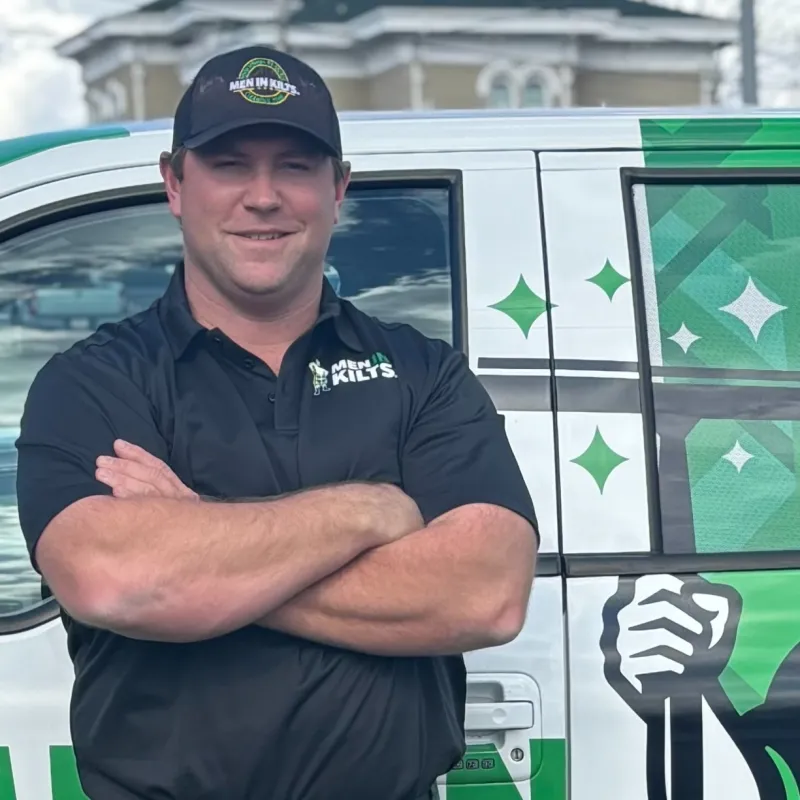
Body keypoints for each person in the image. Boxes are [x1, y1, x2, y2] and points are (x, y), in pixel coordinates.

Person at [15, 44, 539, 800]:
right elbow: (114, 582)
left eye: (294, 166)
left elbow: (485, 593)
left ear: (338, 189)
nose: (263, 196)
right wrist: (369, 510)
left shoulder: (425, 375)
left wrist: (196, 554)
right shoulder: (93, 382)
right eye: (230, 165)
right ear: (174, 183)